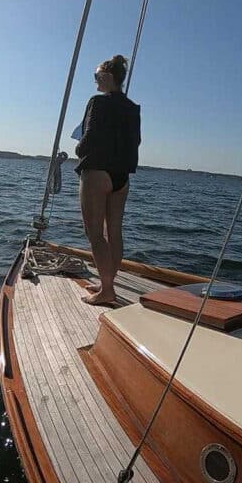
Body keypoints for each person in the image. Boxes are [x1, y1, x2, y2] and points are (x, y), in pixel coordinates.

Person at [75, 55, 141, 306]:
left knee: (94, 233)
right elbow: (136, 142)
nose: (95, 81)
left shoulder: (97, 103)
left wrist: (79, 150)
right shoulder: (132, 108)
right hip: (121, 176)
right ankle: (107, 283)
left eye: (97, 76)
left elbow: (88, 136)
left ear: (108, 78)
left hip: (97, 172)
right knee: (113, 231)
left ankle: (108, 290)